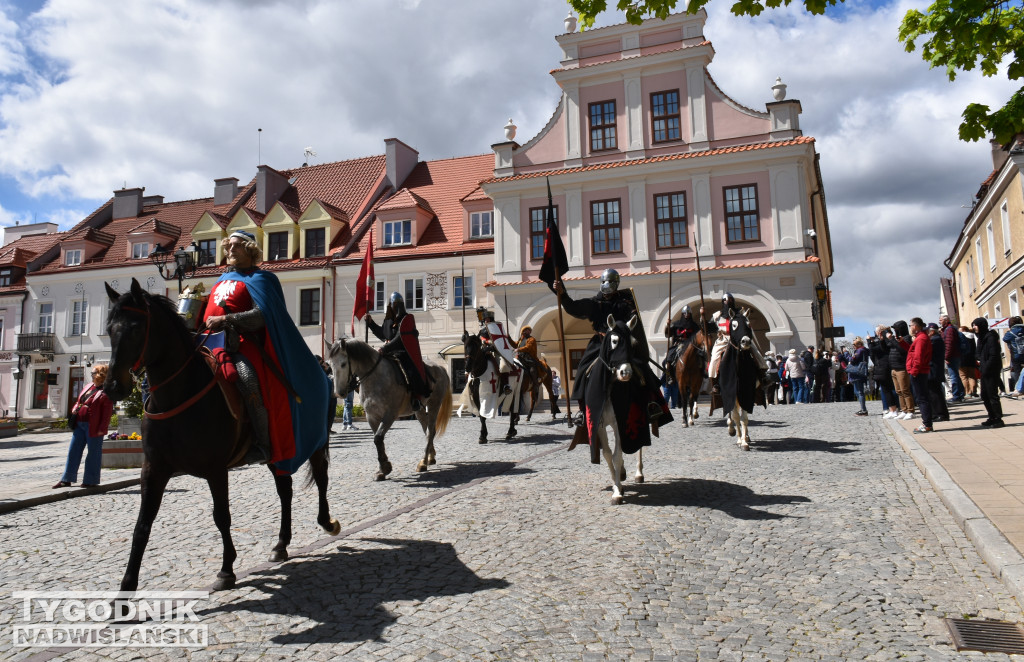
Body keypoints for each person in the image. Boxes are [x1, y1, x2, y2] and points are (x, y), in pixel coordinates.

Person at [202, 230, 330, 474]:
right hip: (210, 342)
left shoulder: (262, 279)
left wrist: (228, 319)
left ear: (250, 249)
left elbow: (263, 316)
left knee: (248, 380)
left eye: (236, 246)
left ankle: (262, 444)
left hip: (243, 344)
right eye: (228, 245)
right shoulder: (220, 281)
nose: (230, 250)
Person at [554, 269, 671, 425]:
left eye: (610, 284)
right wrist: (562, 294)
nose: (607, 289)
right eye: (604, 283)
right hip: (601, 342)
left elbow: (632, 321)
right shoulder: (595, 303)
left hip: (621, 342)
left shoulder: (625, 302)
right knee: (583, 368)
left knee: (641, 367)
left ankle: (651, 403)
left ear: (616, 284)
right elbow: (574, 308)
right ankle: (583, 410)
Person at [367, 292, 432, 411]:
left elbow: (400, 338)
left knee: (410, 370)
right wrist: (370, 324)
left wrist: (384, 348)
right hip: (388, 353)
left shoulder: (405, 319)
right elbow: (383, 334)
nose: (394, 307)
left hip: (402, 352)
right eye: (393, 304)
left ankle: (416, 397)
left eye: (397, 304)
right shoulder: (388, 321)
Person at [53, 364, 114, 488]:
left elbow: (107, 414)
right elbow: (79, 401)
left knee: (93, 453)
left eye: (93, 373)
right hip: (80, 424)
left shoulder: (106, 391)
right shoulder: (88, 386)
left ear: (100, 375)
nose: (91, 375)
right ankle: (67, 479)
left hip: (94, 426)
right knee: (73, 451)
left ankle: (90, 480)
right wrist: (75, 408)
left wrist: (102, 429)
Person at [899, 317, 933, 433]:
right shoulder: (920, 338)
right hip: (919, 371)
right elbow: (913, 352)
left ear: (915, 326)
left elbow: (918, 357)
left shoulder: (921, 339)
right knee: (922, 398)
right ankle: (927, 423)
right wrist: (903, 343)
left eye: (910, 326)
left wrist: (914, 372)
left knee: (922, 399)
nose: (910, 328)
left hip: (919, 372)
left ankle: (927, 424)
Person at [974, 317, 1005, 427]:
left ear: (981, 326)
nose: (974, 327)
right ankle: (991, 416)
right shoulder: (981, 338)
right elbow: (977, 353)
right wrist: (980, 362)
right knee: (984, 395)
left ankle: (998, 418)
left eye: (975, 325)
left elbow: (994, 355)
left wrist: (986, 366)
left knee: (992, 395)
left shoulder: (990, 337)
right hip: (984, 370)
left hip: (991, 370)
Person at [886, 320, 915, 419]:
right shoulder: (895, 338)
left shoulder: (906, 338)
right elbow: (888, 346)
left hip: (902, 367)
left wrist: (893, 340)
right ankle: (904, 409)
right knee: (898, 391)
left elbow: (902, 349)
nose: (895, 331)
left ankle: (910, 410)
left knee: (905, 390)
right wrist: (888, 338)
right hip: (894, 367)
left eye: (896, 329)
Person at [868, 326, 898, 418]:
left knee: (888, 389)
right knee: (886, 390)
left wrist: (869, 342)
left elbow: (874, 351)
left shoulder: (885, 341)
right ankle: (891, 409)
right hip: (882, 367)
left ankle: (893, 409)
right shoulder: (883, 340)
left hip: (884, 367)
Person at [926, 323, 950, 422]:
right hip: (933, 369)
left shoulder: (935, 340)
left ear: (932, 331)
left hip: (934, 369)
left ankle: (940, 414)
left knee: (935, 393)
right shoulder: (935, 339)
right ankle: (937, 413)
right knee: (933, 393)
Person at [940, 314, 965, 402]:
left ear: (946, 320)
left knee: (953, 376)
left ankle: (956, 396)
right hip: (955, 355)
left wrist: (946, 357)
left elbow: (949, 344)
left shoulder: (949, 330)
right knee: (956, 376)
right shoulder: (949, 329)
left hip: (952, 356)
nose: (940, 322)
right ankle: (960, 394)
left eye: (941, 320)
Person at [848, 337, 870, 416]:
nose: (853, 345)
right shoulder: (864, 350)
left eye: (854, 344)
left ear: (859, 344)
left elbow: (853, 360)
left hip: (857, 372)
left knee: (859, 392)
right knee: (857, 392)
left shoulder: (860, 350)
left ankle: (863, 410)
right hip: (860, 372)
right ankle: (862, 409)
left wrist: (849, 356)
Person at [1003, 316, 1024, 392]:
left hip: (1016, 355)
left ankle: (1020, 389)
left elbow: (1005, 339)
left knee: (1017, 372)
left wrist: (1009, 331)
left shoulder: (1011, 332)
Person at [958, 325, 980, 398]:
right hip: (971, 359)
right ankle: (974, 391)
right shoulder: (973, 337)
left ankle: (968, 392)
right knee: (972, 376)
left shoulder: (959, 337)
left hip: (961, 359)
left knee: (964, 377)